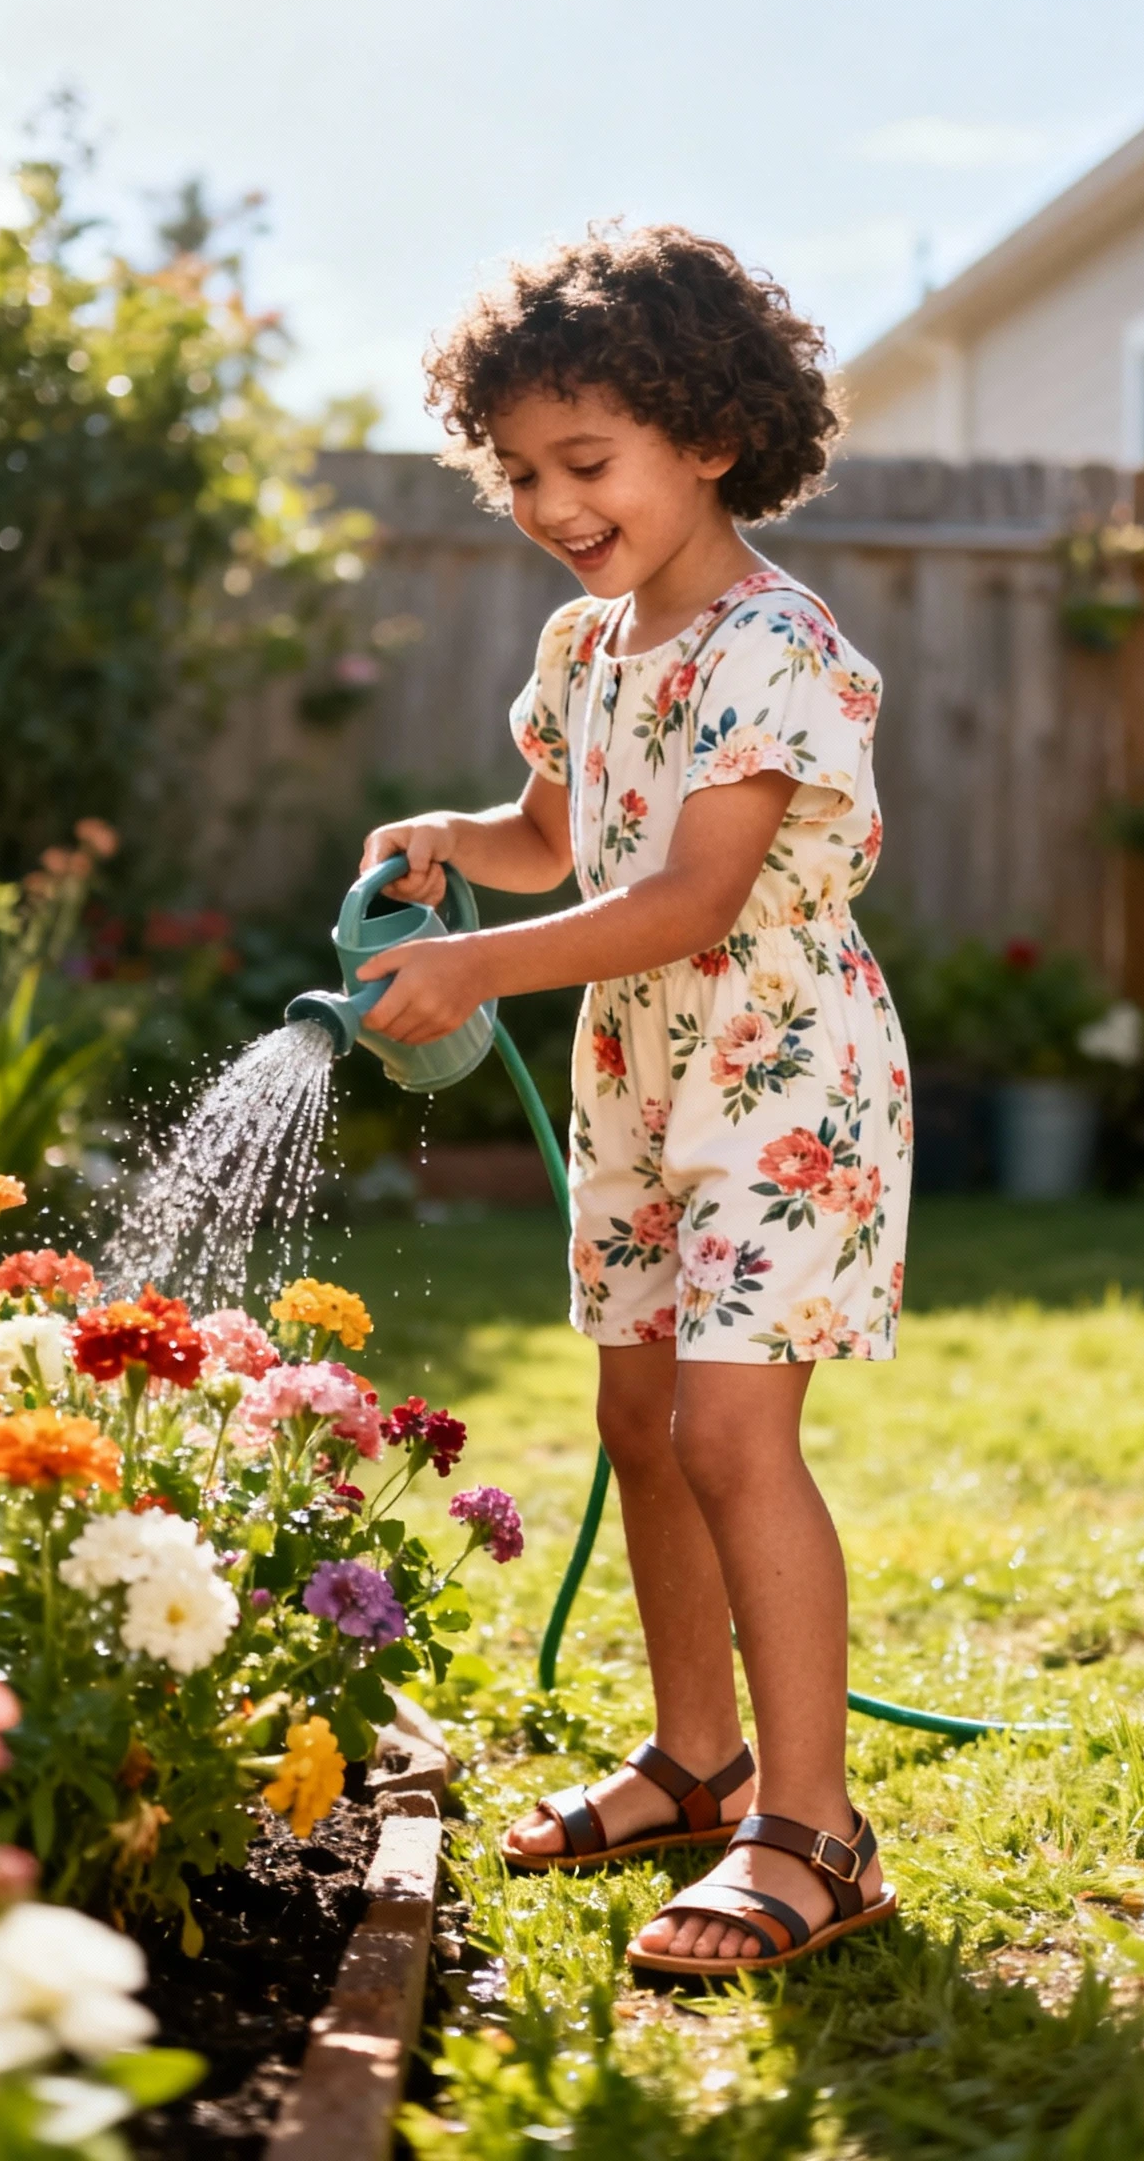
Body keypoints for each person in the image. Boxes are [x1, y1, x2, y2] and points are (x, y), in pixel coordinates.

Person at [357, 226, 911, 1981]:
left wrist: (478, 975)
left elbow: (688, 899)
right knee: (642, 1427)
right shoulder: (587, 647)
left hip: (778, 1072)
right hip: (638, 1074)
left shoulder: (774, 646)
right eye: (517, 469)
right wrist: (459, 846)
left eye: (585, 463)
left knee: (737, 1438)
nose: (547, 501)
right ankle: (694, 1763)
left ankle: (813, 1833)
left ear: (711, 435)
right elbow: (561, 843)